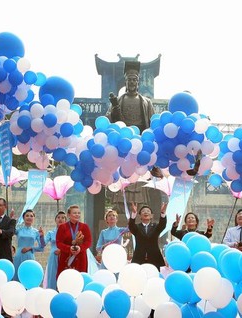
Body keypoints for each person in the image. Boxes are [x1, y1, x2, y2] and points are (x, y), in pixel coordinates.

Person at [105, 60, 162, 214]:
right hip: (123, 145)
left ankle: (140, 211)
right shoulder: (119, 100)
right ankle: (120, 210)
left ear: (138, 82)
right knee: (122, 178)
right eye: (129, 79)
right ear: (126, 82)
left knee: (140, 180)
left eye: (134, 79)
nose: (131, 82)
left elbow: (153, 124)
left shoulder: (146, 102)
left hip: (141, 145)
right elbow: (110, 119)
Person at [128, 202, 167, 269]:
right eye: (143, 211)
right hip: (139, 258)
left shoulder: (155, 226)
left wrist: (163, 213)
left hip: (154, 258)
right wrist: (134, 213)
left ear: (151, 215)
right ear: (140, 215)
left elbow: (162, 225)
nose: (146, 212)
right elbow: (131, 226)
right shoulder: (136, 227)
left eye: (148, 211)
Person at [56, 205, 92, 276]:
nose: (77, 215)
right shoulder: (62, 227)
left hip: (80, 257)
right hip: (66, 256)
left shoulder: (84, 227)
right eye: (74, 213)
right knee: (66, 278)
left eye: (79, 213)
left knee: (80, 278)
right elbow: (59, 243)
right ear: (68, 215)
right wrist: (69, 248)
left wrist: (80, 248)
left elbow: (88, 242)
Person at [13, 209, 45, 282]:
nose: (29, 217)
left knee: (29, 276)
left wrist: (41, 237)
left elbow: (42, 247)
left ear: (33, 218)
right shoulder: (19, 230)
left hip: (29, 256)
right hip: (19, 255)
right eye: (27, 216)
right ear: (23, 218)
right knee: (17, 276)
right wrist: (12, 220)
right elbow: (11, 230)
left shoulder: (36, 232)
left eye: (31, 216)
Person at [44, 211, 67, 290]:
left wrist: (62, 250)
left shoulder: (68, 233)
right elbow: (43, 243)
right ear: (55, 220)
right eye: (58, 217)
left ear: (65, 220)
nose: (60, 219)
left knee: (63, 276)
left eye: (63, 217)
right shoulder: (51, 233)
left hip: (65, 257)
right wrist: (40, 236)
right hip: (53, 257)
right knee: (52, 276)